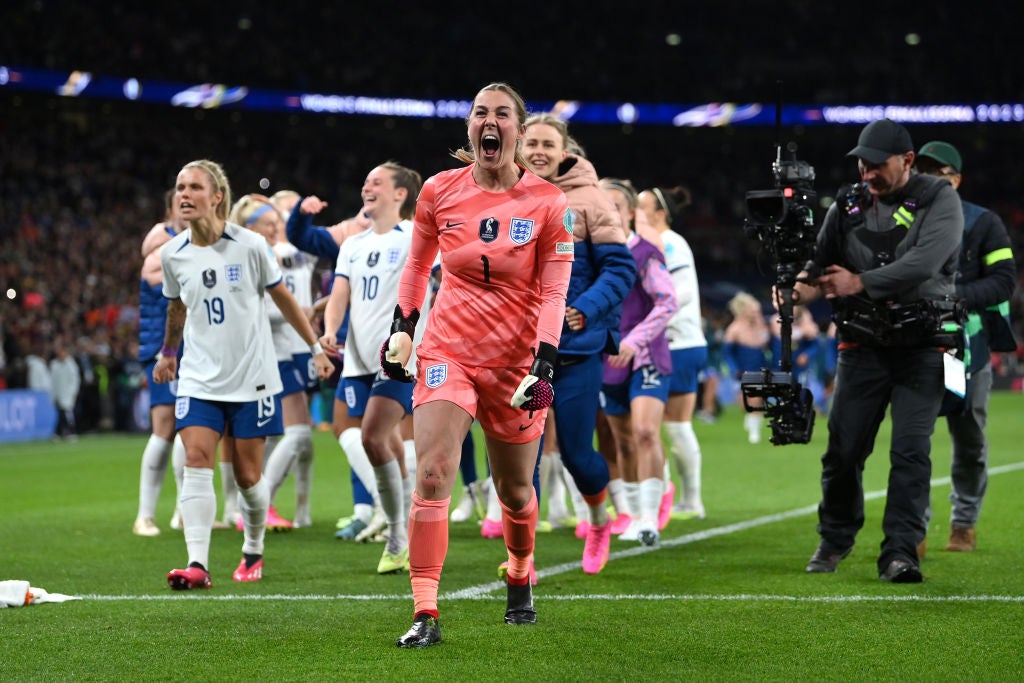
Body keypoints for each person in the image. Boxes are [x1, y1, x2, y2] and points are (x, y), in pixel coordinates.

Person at [382, 83, 573, 648]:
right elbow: (417, 267)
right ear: (470, 127)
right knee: (434, 472)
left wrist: (545, 362)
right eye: (480, 113)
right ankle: (426, 611)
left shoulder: (547, 203)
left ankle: (519, 572)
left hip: (516, 364)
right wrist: (403, 327)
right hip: (449, 350)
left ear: (516, 130)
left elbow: (556, 292)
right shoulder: (439, 191)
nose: (490, 123)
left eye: (502, 115)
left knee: (513, 492)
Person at [792, 119, 963, 583]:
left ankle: (900, 553)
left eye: (877, 164)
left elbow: (925, 262)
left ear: (907, 161)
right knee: (843, 450)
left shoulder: (938, 197)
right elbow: (818, 263)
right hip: (862, 345)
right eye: (862, 163)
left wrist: (859, 282)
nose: (866, 172)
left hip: (924, 347)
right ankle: (835, 538)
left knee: (910, 451)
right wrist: (797, 290)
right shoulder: (847, 202)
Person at [154, 159, 332, 590]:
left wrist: (315, 348)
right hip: (198, 378)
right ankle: (197, 563)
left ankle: (253, 549)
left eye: (194, 187)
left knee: (249, 478)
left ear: (217, 197)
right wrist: (169, 353)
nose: (184, 195)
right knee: (197, 459)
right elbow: (176, 307)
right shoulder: (172, 253)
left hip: (253, 379)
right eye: (180, 187)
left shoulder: (250, 245)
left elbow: (285, 299)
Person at [519, 113, 635, 573]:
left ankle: (598, 518)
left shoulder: (591, 200)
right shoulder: (503, 194)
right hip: (519, 349)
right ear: (519, 146)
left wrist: (584, 308)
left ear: (565, 150)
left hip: (574, 347)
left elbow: (621, 268)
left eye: (549, 143)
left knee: (575, 453)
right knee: (518, 457)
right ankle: (520, 555)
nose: (539, 152)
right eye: (532, 144)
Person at [318, 161, 425, 574]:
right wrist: (330, 330)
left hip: (397, 357)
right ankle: (400, 527)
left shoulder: (416, 236)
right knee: (381, 442)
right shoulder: (354, 244)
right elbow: (340, 294)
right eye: (365, 182)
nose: (367, 187)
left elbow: (435, 284)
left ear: (400, 194)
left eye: (376, 182)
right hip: (357, 359)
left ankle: (397, 534)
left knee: (373, 434)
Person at [914, 140, 1017, 553]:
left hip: (961, 349)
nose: (926, 179)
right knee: (912, 439)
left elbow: (1004, 280)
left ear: (955, 180)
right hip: (914, 346)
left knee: (968, 435)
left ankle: (964, 521)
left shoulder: (982, 222)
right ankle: (913, 527)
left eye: (936, 173)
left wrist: (952, 298)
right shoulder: (901, 219)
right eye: (921, 170)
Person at [228, 193, 318, 531]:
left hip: (298, 348)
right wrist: (297, 314)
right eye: (274, 218)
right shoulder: (255, 254)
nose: (279, 224)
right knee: (293, 434)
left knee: (296, 438)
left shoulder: (289, 251)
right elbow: (258, 308)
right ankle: (255, 505)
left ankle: (299, 509)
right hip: (275, 351)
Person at [600, 186, 678, 546]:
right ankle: (630, 515)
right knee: (622, 442)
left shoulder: (646, 254)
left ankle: (649, 517)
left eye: (615, 206)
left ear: (631, 212)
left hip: (644, 355)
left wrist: (634, 341)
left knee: (645, 431)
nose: (607, 212)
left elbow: (667, 302)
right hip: (606, 358)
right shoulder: (589, 256)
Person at [637, 184, 708, 520]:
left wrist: (640, 327)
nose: (635, 212)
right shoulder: (652, 243)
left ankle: (689, 500)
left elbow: (678, 296)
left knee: (674, 426)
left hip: (677, 343)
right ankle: (668, 496)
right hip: (671, 342)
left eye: (642, 206)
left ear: (660, 214)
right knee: (657, 426)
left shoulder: (671, 243)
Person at [133, 190, 190, 536]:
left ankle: (183, 510)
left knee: (189, 427)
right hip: (164, 349)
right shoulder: (161, 250)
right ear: (170, 211)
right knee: (165, 427)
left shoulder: (190, 244)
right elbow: (175, 299)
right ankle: (145, 515)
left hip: (192, 350)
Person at [722, 291, 770, 443]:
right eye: (753, 310)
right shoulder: (734, 329)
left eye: (758, 310)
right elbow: (728, 353)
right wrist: (734, 369)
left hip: (759, 367)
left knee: (756, 399)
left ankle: (754, 433)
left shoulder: (761, 325)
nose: (757, 313)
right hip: (742, 369)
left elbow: (767, 344)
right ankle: (751, 419)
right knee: (744, 404)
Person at [49, 339, 81, 440]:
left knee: (67, 414)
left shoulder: (71, 365)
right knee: (60, 414)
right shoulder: (54, 365)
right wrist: (53, 394)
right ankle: (59, 432)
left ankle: (71, 431)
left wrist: (72, 393)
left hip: (68, 394)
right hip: (58, 393)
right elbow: (52, 381)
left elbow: (75, 381)